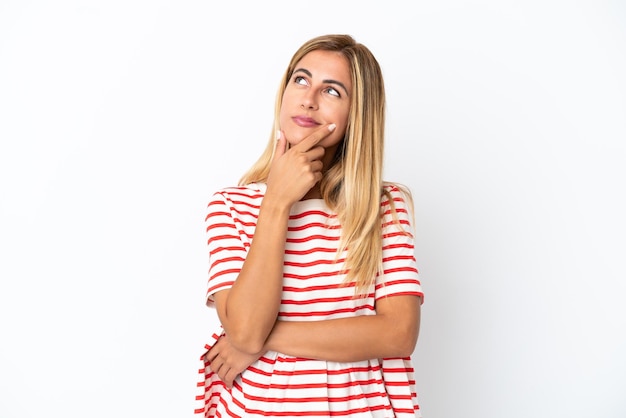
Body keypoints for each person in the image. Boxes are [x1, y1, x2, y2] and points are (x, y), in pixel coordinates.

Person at [194, 34, 424, 418]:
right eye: (300, 80)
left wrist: (254, 340)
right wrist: (277, 203)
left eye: (332, 90)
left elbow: (397, 334)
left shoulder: (382, 208)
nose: (308, 98)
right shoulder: (230, 206)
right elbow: (247, 328)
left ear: (358, 113)